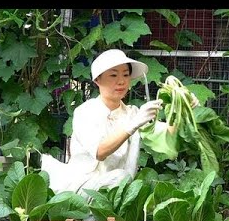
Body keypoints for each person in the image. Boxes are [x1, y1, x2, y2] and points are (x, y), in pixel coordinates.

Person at [41, 49, 163, 197]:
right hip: (82, 189)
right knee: (120, 178)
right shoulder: (85, 112)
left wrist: (184, 107)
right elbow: (100, 151)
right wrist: (133, 124)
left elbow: (161, 134)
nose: (121, 81)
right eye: (113, 75)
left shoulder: (132, 113)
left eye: (126, 74)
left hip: (118, 190)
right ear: (97, 80)